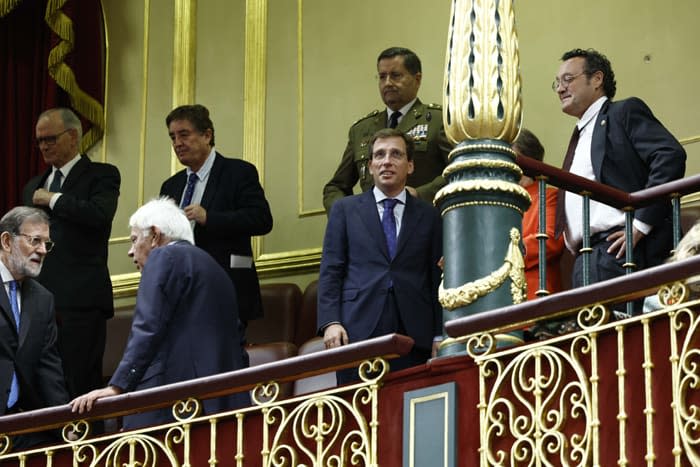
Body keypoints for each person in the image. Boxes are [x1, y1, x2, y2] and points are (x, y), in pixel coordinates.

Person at [70, 198, 250, 429]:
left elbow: (148, 327)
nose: (130, 252)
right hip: (224, 406)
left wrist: (117, 386)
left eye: (134, 240)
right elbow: (237, 338)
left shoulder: (164, 256)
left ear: (155, 236)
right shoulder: (214, 269)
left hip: (171, 407)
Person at [553, 48, 686, 313]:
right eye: (556, 83)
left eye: (568, 79)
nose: (560, 88)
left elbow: (669, 156)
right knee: (595, 348)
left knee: (622, 344)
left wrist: (640, 223)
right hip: (585, 258)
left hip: (618, 250)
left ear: (597, 79)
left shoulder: (622, 112)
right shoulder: (580, 134)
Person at [318, 128, 442, 384]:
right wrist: (331, 322)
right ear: (371, 166)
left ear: (409, 166)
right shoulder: (345, 210)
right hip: (357, 331)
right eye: (379, 155)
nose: (387, 161)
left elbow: (436, 279)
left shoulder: (429, 215)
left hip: (414, 331)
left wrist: (439, 334)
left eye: (396, 154)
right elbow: (331, 270)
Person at [23, 108, 120, 403]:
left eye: (50, 139)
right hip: (37, 302)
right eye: (39, 141)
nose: (44, 146)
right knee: (38, 385)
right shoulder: (32, 185)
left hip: (81, 302)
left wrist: (52, 199)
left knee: (79, 385)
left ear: (73, 137)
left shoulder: (101, 175)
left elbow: (99, 215)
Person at [160, 104, 272, 326]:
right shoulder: (171, 186)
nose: (177, 143)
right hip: (181, 291)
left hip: (227, 285)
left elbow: (261, 220)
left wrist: (209, 218)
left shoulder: (238, 172)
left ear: (207, 135)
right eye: (172, 137)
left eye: (184, 135)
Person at [322, 46, 451, 213]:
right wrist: (347, 215)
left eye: (395, 76)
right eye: (382, 77)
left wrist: (420, 194)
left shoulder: (438, 120)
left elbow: (460, 171)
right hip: (373, 230)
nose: (388, 83)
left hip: (422, 221)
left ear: (417, 79)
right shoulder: (362, 130)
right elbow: (335, 187)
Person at [0, 207, 69, 449]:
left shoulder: (43, 299)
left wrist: (65, 426)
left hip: (20, 429)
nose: (42, 250)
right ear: (7, 241)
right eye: (35, 241)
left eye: (46, 243)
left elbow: (49, 370)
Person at [512, 129, 565, 300]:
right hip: (500, 296)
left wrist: (503, 253)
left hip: (535, 291)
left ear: (527, 161)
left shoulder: (548, 195)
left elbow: (550, 239)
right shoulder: (499, 202)